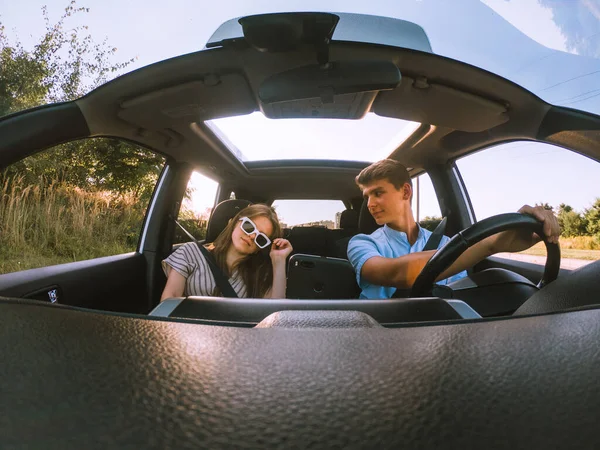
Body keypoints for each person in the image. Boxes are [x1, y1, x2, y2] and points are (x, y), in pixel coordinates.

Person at [347, 159, 560, 299]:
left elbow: (457, 299)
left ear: (405, 192)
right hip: (381, 334)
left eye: (377, 193)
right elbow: (397, 273)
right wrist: (493, 242)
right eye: (367, 197)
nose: (369, 204)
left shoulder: (445, 244)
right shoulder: (362, 243)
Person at [161, 204, 293, 300]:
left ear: (261, 247)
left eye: (261, 238)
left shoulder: (258, 274)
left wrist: (279, 260)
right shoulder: (190, 252)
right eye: (249, 226)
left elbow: (274, 313)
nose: (252, 236)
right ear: (234, 222)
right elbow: (169, 300)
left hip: (234, 337)